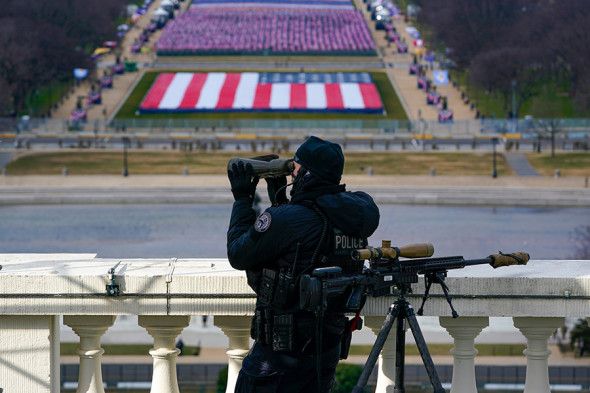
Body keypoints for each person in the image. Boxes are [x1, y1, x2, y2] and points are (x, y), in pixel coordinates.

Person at [227, 136, 380, 392]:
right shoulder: (351, 216)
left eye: (295, 170)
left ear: (308, 174)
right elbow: (302, 250)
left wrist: (242, 199)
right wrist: (281, 203)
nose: (291, 175)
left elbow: (238, 254)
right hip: (323, 353)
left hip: (277, 359)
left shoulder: (288, 220)